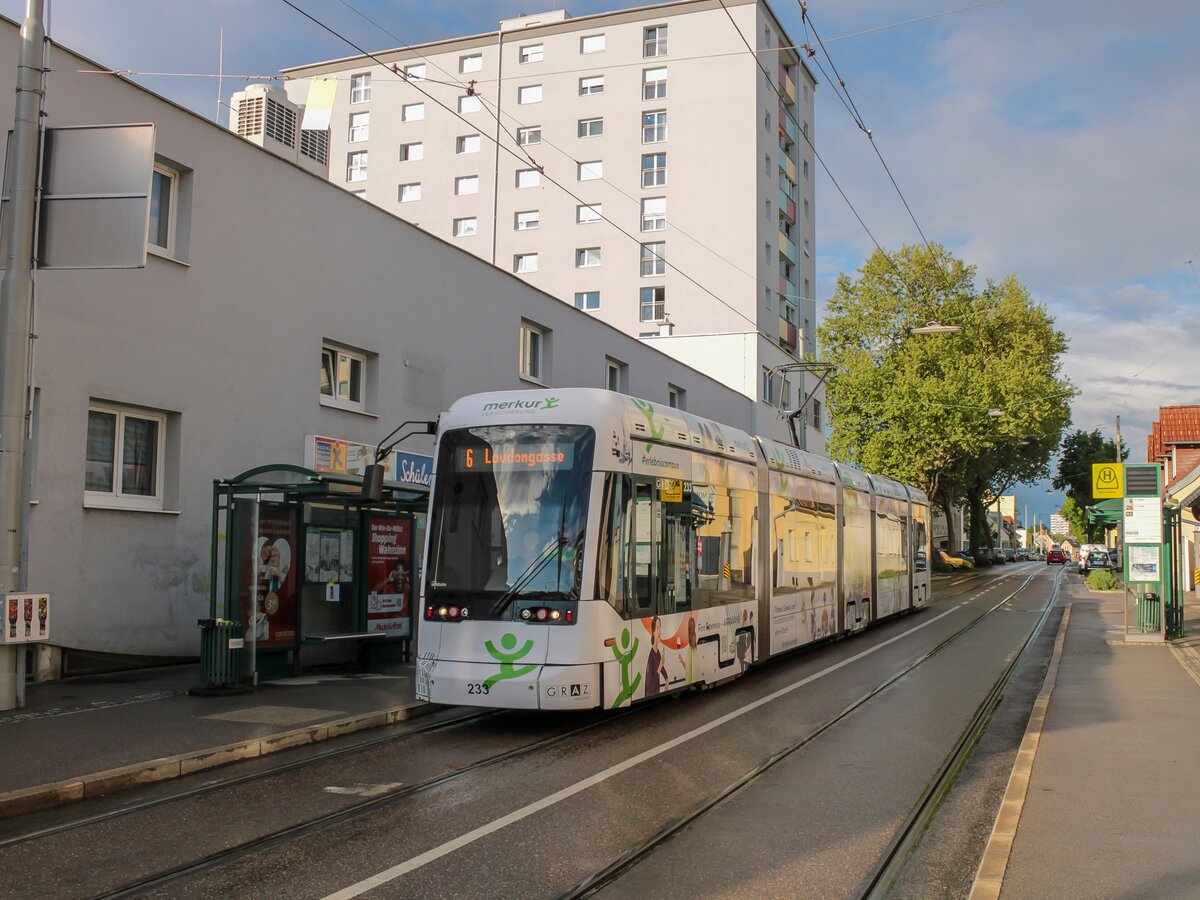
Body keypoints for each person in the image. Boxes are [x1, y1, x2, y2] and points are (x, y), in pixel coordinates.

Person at [644, 616, 668, 696]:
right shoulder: (651, 655)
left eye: (660, 627)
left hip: (656, 691)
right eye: (657, 628)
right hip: (651, 692)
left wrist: (667, 679)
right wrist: (661, 665)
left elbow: (661, 668)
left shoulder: (657, 652)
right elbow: (651, 681)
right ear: (653, 632)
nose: (660, 631)